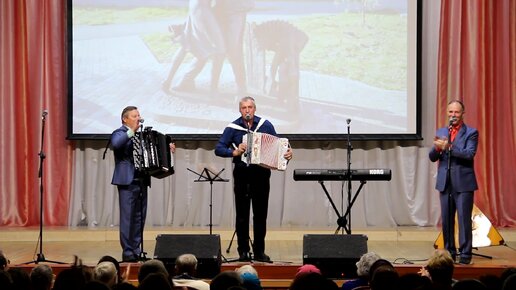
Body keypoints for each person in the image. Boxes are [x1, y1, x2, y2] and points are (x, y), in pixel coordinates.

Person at [215, 96, 293, 262]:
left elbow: (279, 146)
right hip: (242, 175)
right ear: (240, 110)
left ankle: (259, 251)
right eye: (244, 108)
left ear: (254, 109)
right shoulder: (233, 127)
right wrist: (233, 152)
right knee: (242, 215)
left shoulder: (265, 125)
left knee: (260, 215)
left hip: (261, 175)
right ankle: (243, 251)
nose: (247, 110)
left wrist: (288, 154)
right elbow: (219, 148)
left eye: (250, 107)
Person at [111, 106, 176, 262]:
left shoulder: (142, 136)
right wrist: (131, 130)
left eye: (139, 116)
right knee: (128, 218)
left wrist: (166, 149)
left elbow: (153, 150)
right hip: (127, 181)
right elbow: (116, 144)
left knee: (140, 218)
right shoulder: (120, 133)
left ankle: (136, 250)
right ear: (124, 119)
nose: (138, 119)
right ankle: (128, 253)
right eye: (134, 116)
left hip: (142, 180)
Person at [429, 100, 478, 265]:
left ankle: (465, 255)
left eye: (456, 112)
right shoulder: (442, 131)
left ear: (462, 113)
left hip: (463, 183)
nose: (453, 115)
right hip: (445, 182)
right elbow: (432, 157)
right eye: (450, 112)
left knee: (464, 220)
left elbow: (469, 154)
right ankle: (450, 253)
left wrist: (449, 147)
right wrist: (437, 148)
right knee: (447, 220)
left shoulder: (471, 132)